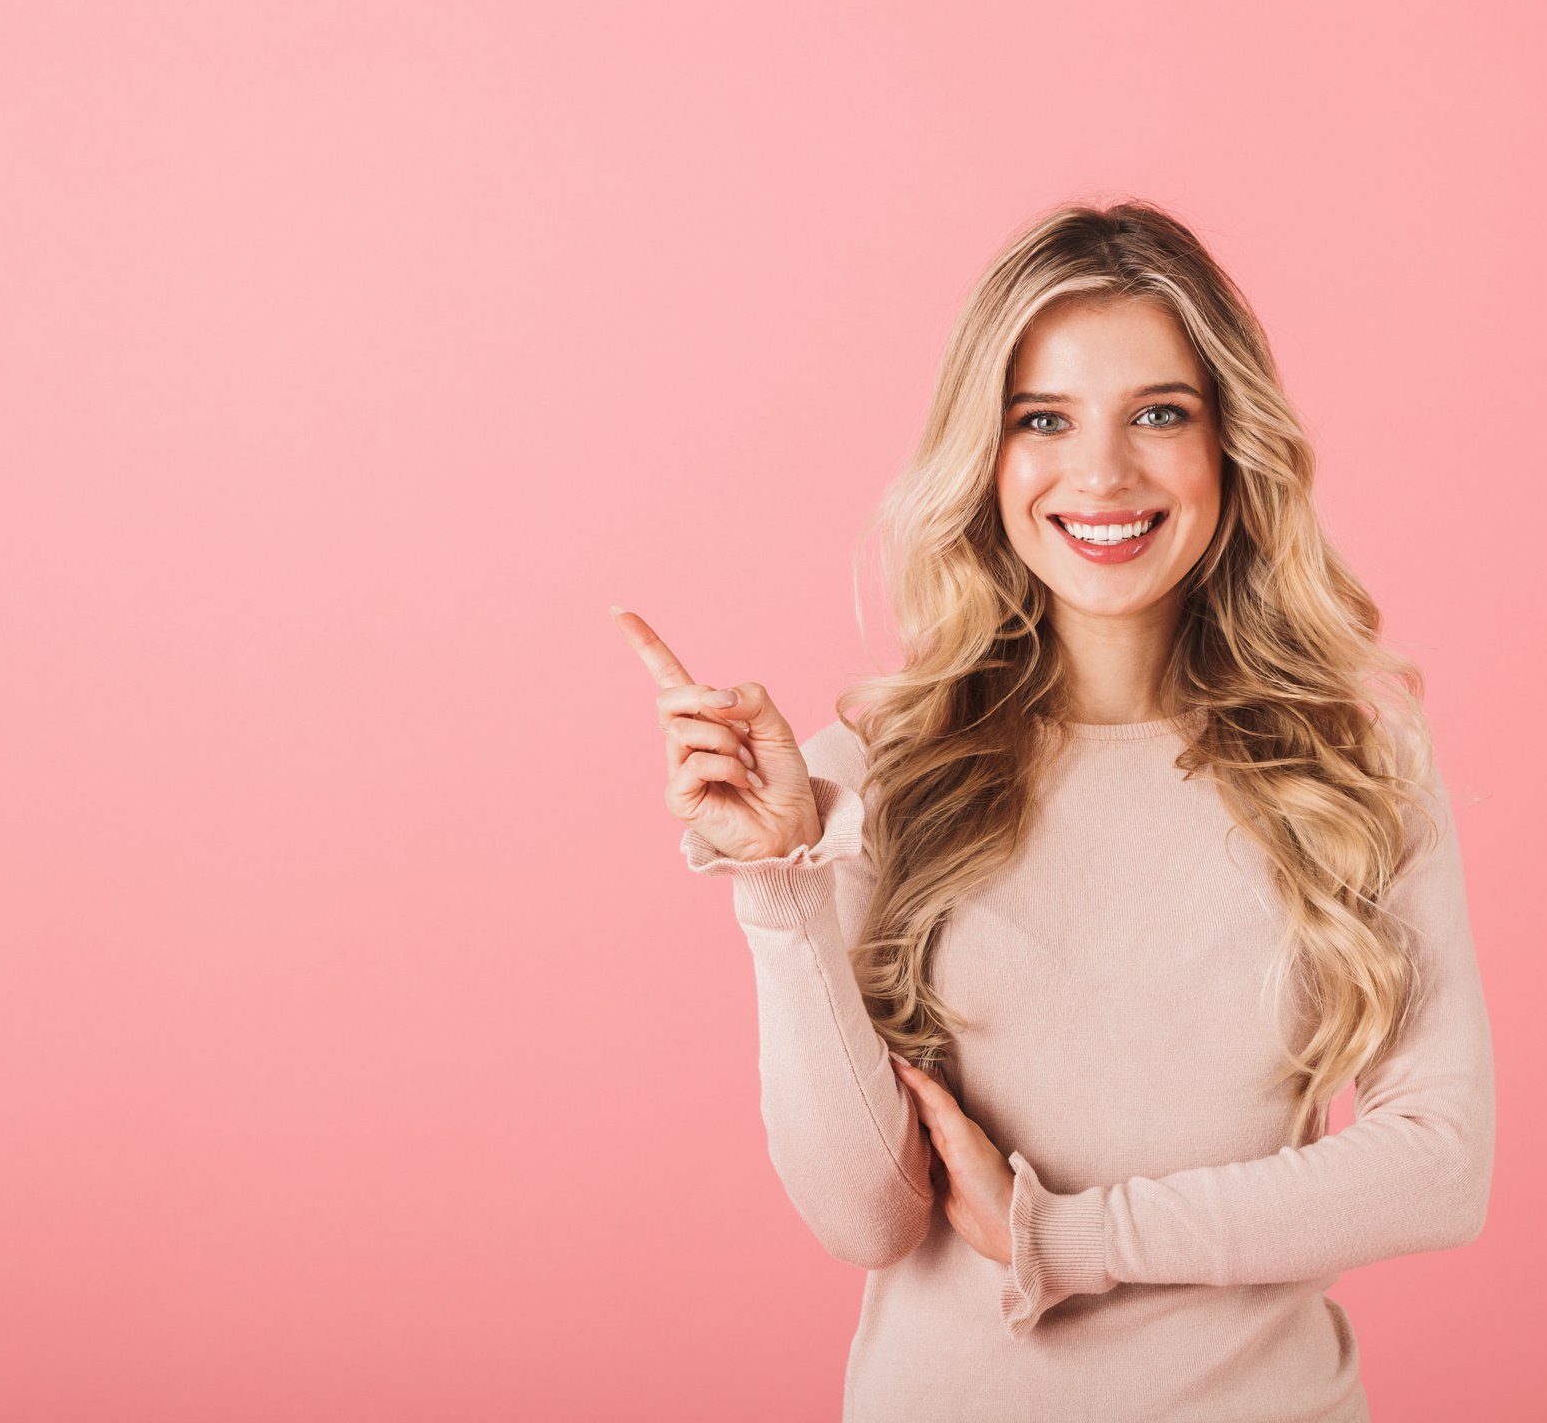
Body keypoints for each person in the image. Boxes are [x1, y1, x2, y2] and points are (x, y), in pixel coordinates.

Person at [612, 199, 1494, 1422]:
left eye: (1159, 414)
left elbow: (1440, 1168)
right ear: (989, 453)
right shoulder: (873, 770)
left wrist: (1072, 1239)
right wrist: (779, 882)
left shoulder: (1355, 758)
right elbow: (861, 1217)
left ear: (1231, 443)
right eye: (1044, 419)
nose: (1104, 474)